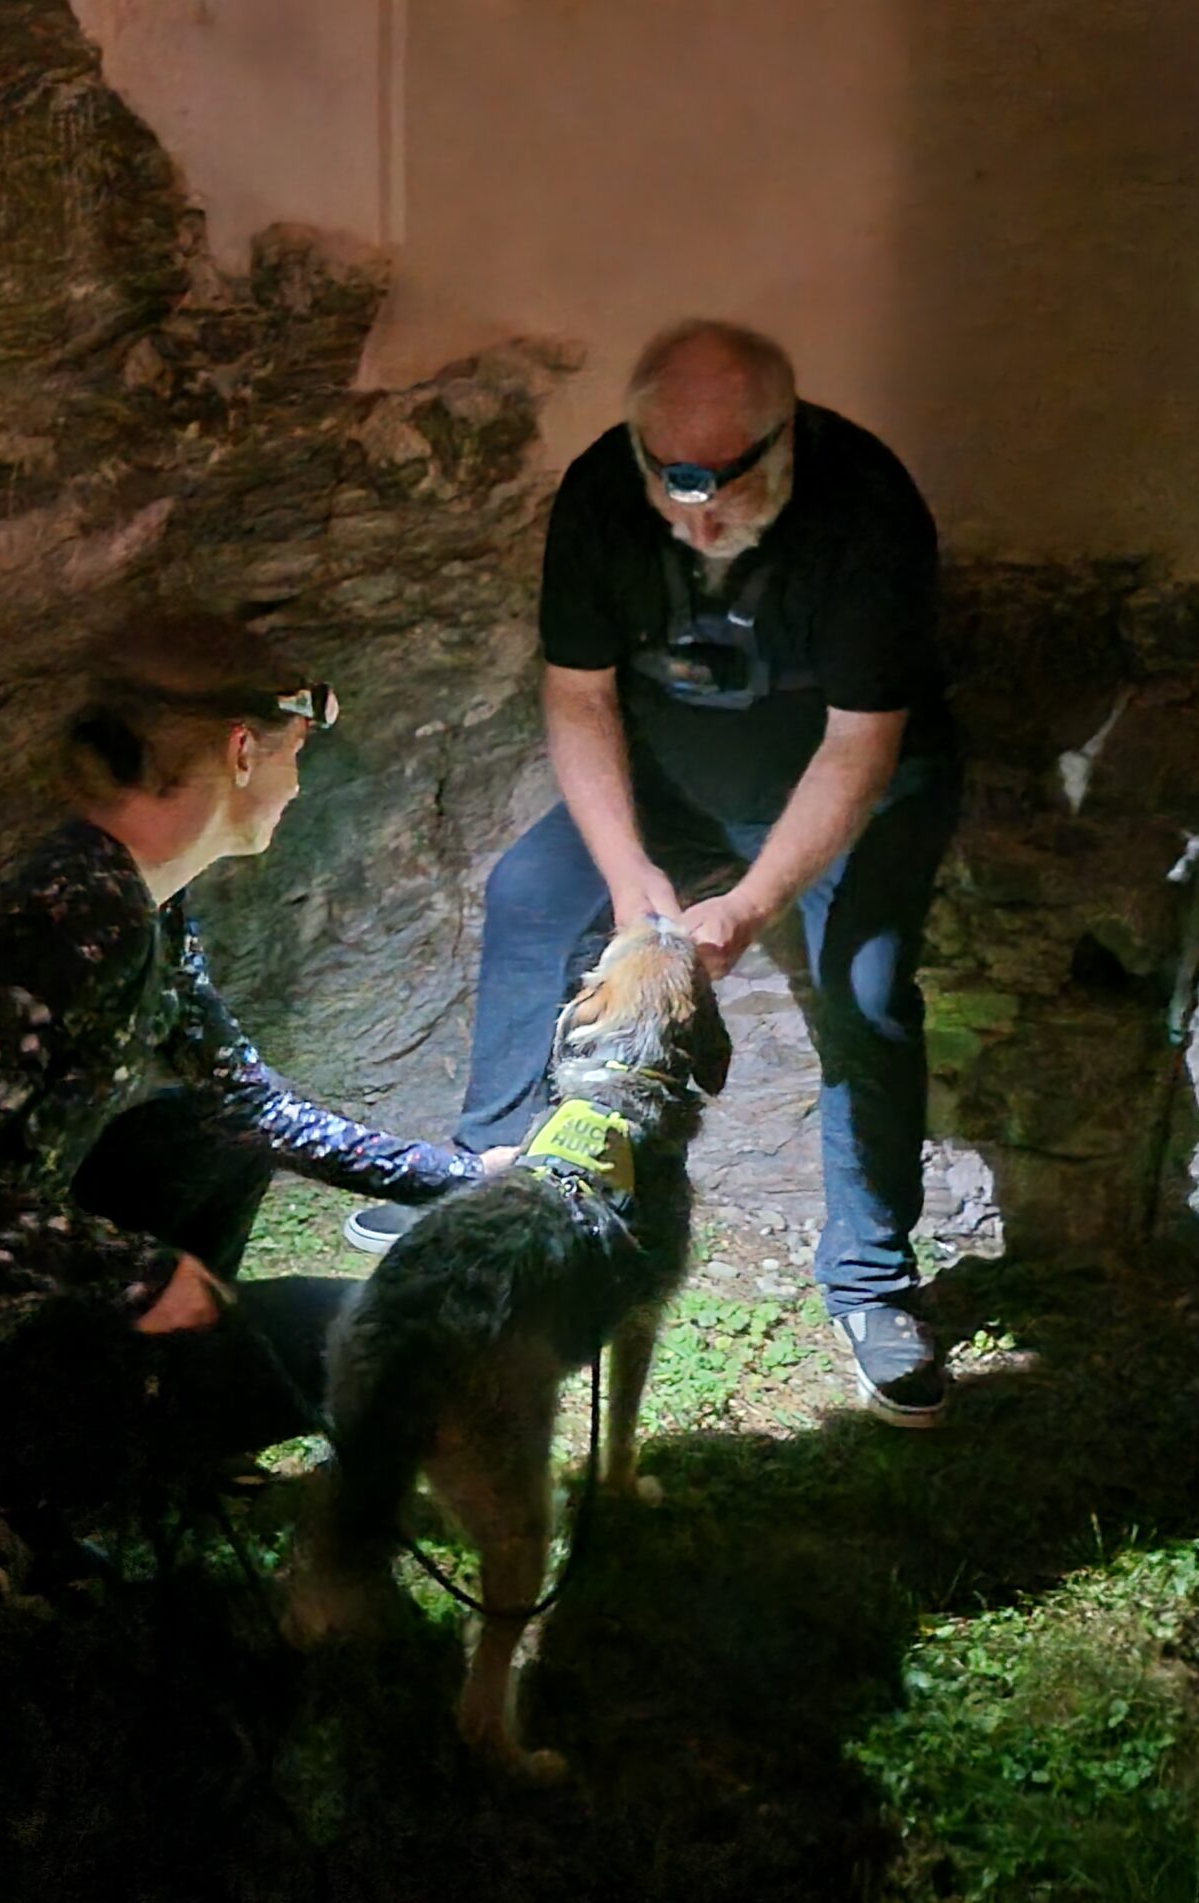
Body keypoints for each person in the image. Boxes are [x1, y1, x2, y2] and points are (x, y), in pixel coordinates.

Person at [347, 320, 962, 1426]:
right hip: (675, 771)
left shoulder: (866, 510)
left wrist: (752, 903)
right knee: (532, 898)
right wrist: (629, 867)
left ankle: (871, 1279)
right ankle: (484, 1179)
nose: (697, 522)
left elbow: (860, 743)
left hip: (846, 783)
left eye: (728, 491)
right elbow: (579, 694)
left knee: (866, 986)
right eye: (672, 488)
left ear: (787, 439)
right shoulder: (600, 495)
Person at [0, 613, 504, 1601]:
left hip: (16, 1271)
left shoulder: (137, 894)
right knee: (377, 1333)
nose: (298, 782)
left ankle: (163, 1420)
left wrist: (455, 1180)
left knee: (211, 1133)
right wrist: (140, 1275)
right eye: (295, 751)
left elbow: (246, 1104)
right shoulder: (72, 922)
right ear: (242, 751)